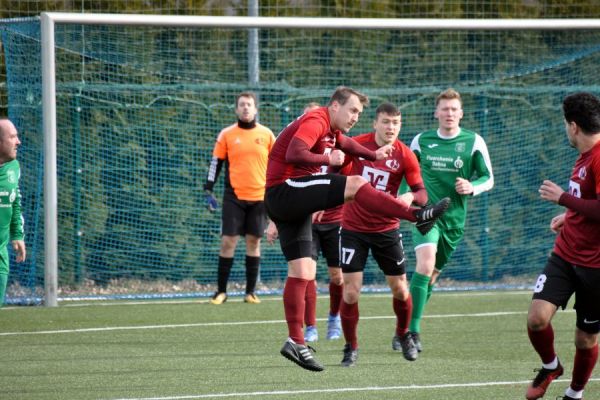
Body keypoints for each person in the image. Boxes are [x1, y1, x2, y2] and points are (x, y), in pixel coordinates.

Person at [264, 86, 450, 371]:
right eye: (352, 110)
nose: (355, 117)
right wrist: (328, 159)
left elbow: (347, 145)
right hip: (286, 191)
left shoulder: (333, 130)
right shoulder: (317, 120)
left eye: (359, 113)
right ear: (334, 106)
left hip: (286, 200)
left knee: (303, 272)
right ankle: (416, 217)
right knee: (356, 185)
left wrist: (373, 157)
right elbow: (294, 152)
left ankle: (296, 342)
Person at [337, 102, 428, 367]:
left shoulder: (405, 154)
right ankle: (351, 346)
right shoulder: (357, 145)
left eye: (395, 123)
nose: (390, 128)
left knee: (400, 289)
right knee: (351, 292)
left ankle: (403, 334)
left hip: (387, 229)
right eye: (386, 122)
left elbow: (422, 193)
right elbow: (335, 174)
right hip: (353, 228)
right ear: (375, 123)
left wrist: (410, 195)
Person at [406, 88, 494, 352]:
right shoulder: (421, 141)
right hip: (426, 216)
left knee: (432, 276)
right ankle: (411, 332)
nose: (449, 113)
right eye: (444, 109)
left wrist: (472, 186)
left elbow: (487, 177)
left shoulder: (474, 141)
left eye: (454, 109)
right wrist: (407, 198)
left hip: (454, 221)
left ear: (461, 114)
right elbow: (406, 174)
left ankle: (407, 324)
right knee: (425, 265)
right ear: (436, 113)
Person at [525, 92, 600, 400]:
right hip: (565, 255)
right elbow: (589, 205)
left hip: (596, 267)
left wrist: (563, 199)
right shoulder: (584, 156)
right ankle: (551, 365)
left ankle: (575, 393)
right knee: (537, 318)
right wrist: (568, 217)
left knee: (586, 339)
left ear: (572, 126)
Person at [204, 92, 276, 305]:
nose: (245, 108)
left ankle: (250, 292)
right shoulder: (227, 134)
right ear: (236, 109)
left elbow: (277, 164)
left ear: (255, 109)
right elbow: (215, 163)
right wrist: (208, 188)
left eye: (249, 105)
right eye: (242, 105)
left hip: (260, 197)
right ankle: (221, 292)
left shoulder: (266, 134)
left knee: (254, 242)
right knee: (228, 242)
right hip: (233, 197)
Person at [300, 102, 344, 343]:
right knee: (308, 275)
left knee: (337, 276)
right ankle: (311, 326)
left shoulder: (337, 149)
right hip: (306, 224)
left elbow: (343, 185)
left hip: (336, 222)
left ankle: (334, 317)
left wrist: (322, 204)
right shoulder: (297, 152)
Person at [0, 119, 26, 307]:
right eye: (12, 137)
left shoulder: (13, 167)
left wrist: (17, 234)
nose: (18, 142)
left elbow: (15, 199)